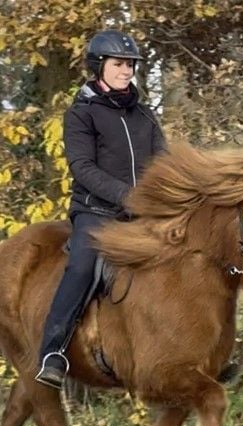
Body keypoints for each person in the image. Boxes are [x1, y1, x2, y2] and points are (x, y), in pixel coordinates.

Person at [35, 29, 166, 389]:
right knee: (82, 267)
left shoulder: (146, 115)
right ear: (99, 66)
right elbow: (83, 168)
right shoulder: (81, 114)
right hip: (96, 211)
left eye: (131, 65)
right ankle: (53, 351)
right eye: (119, 64)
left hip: (143, 214)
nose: (127, 71)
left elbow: (163, 163)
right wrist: (128, 196)